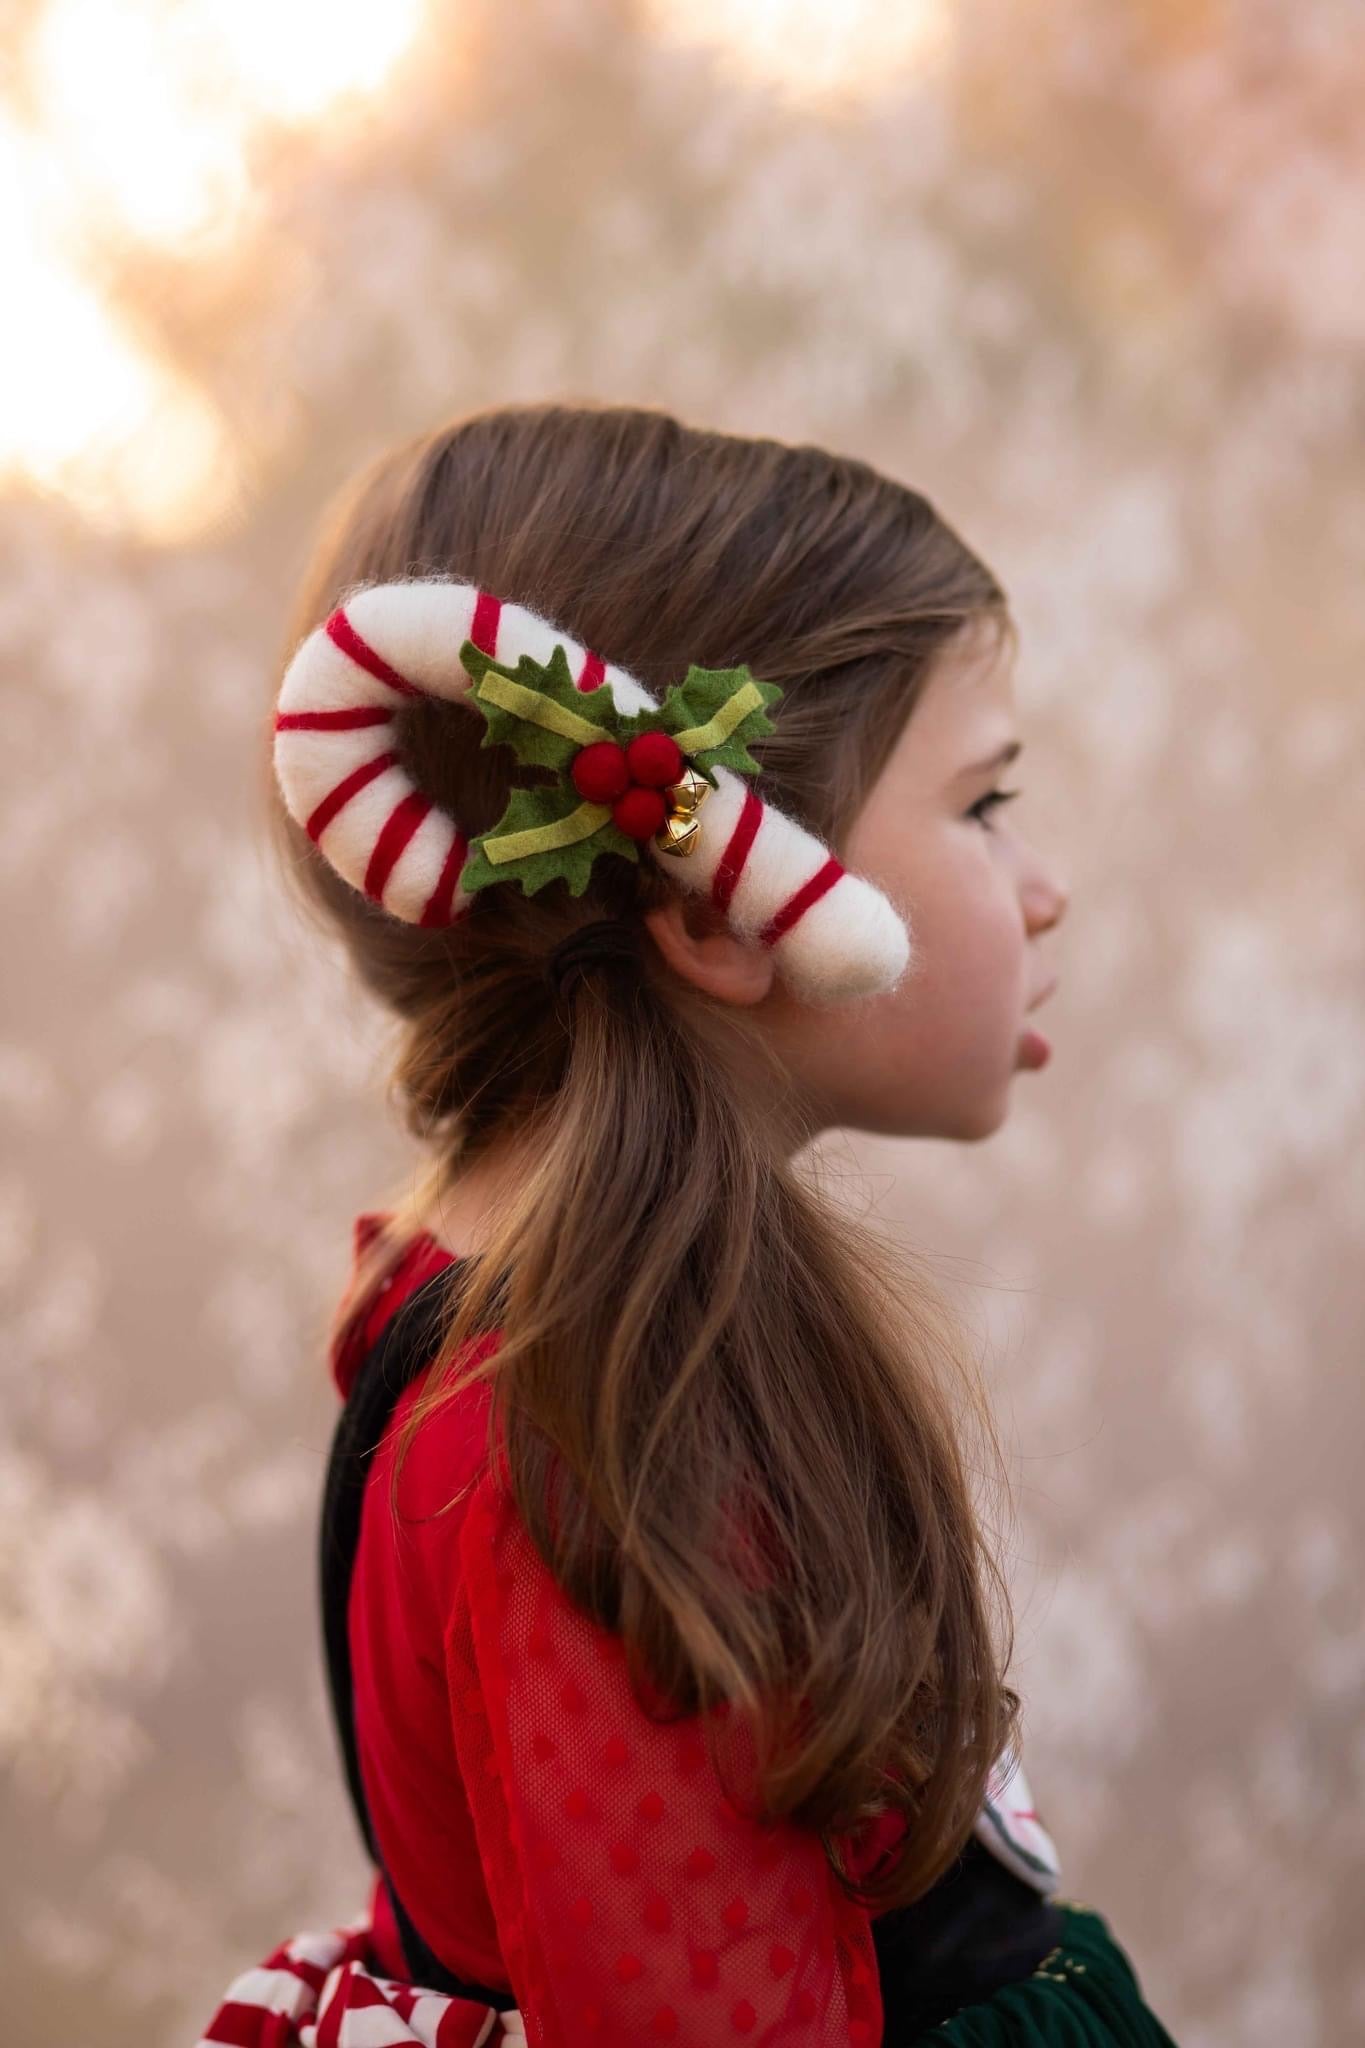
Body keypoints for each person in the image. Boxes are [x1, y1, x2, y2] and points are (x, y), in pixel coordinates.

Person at [195, 402, 1178, 2047]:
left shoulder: (596, 1361)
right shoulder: (581, 1438)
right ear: (721, 898)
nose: (1039, 884)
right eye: (982, 801)